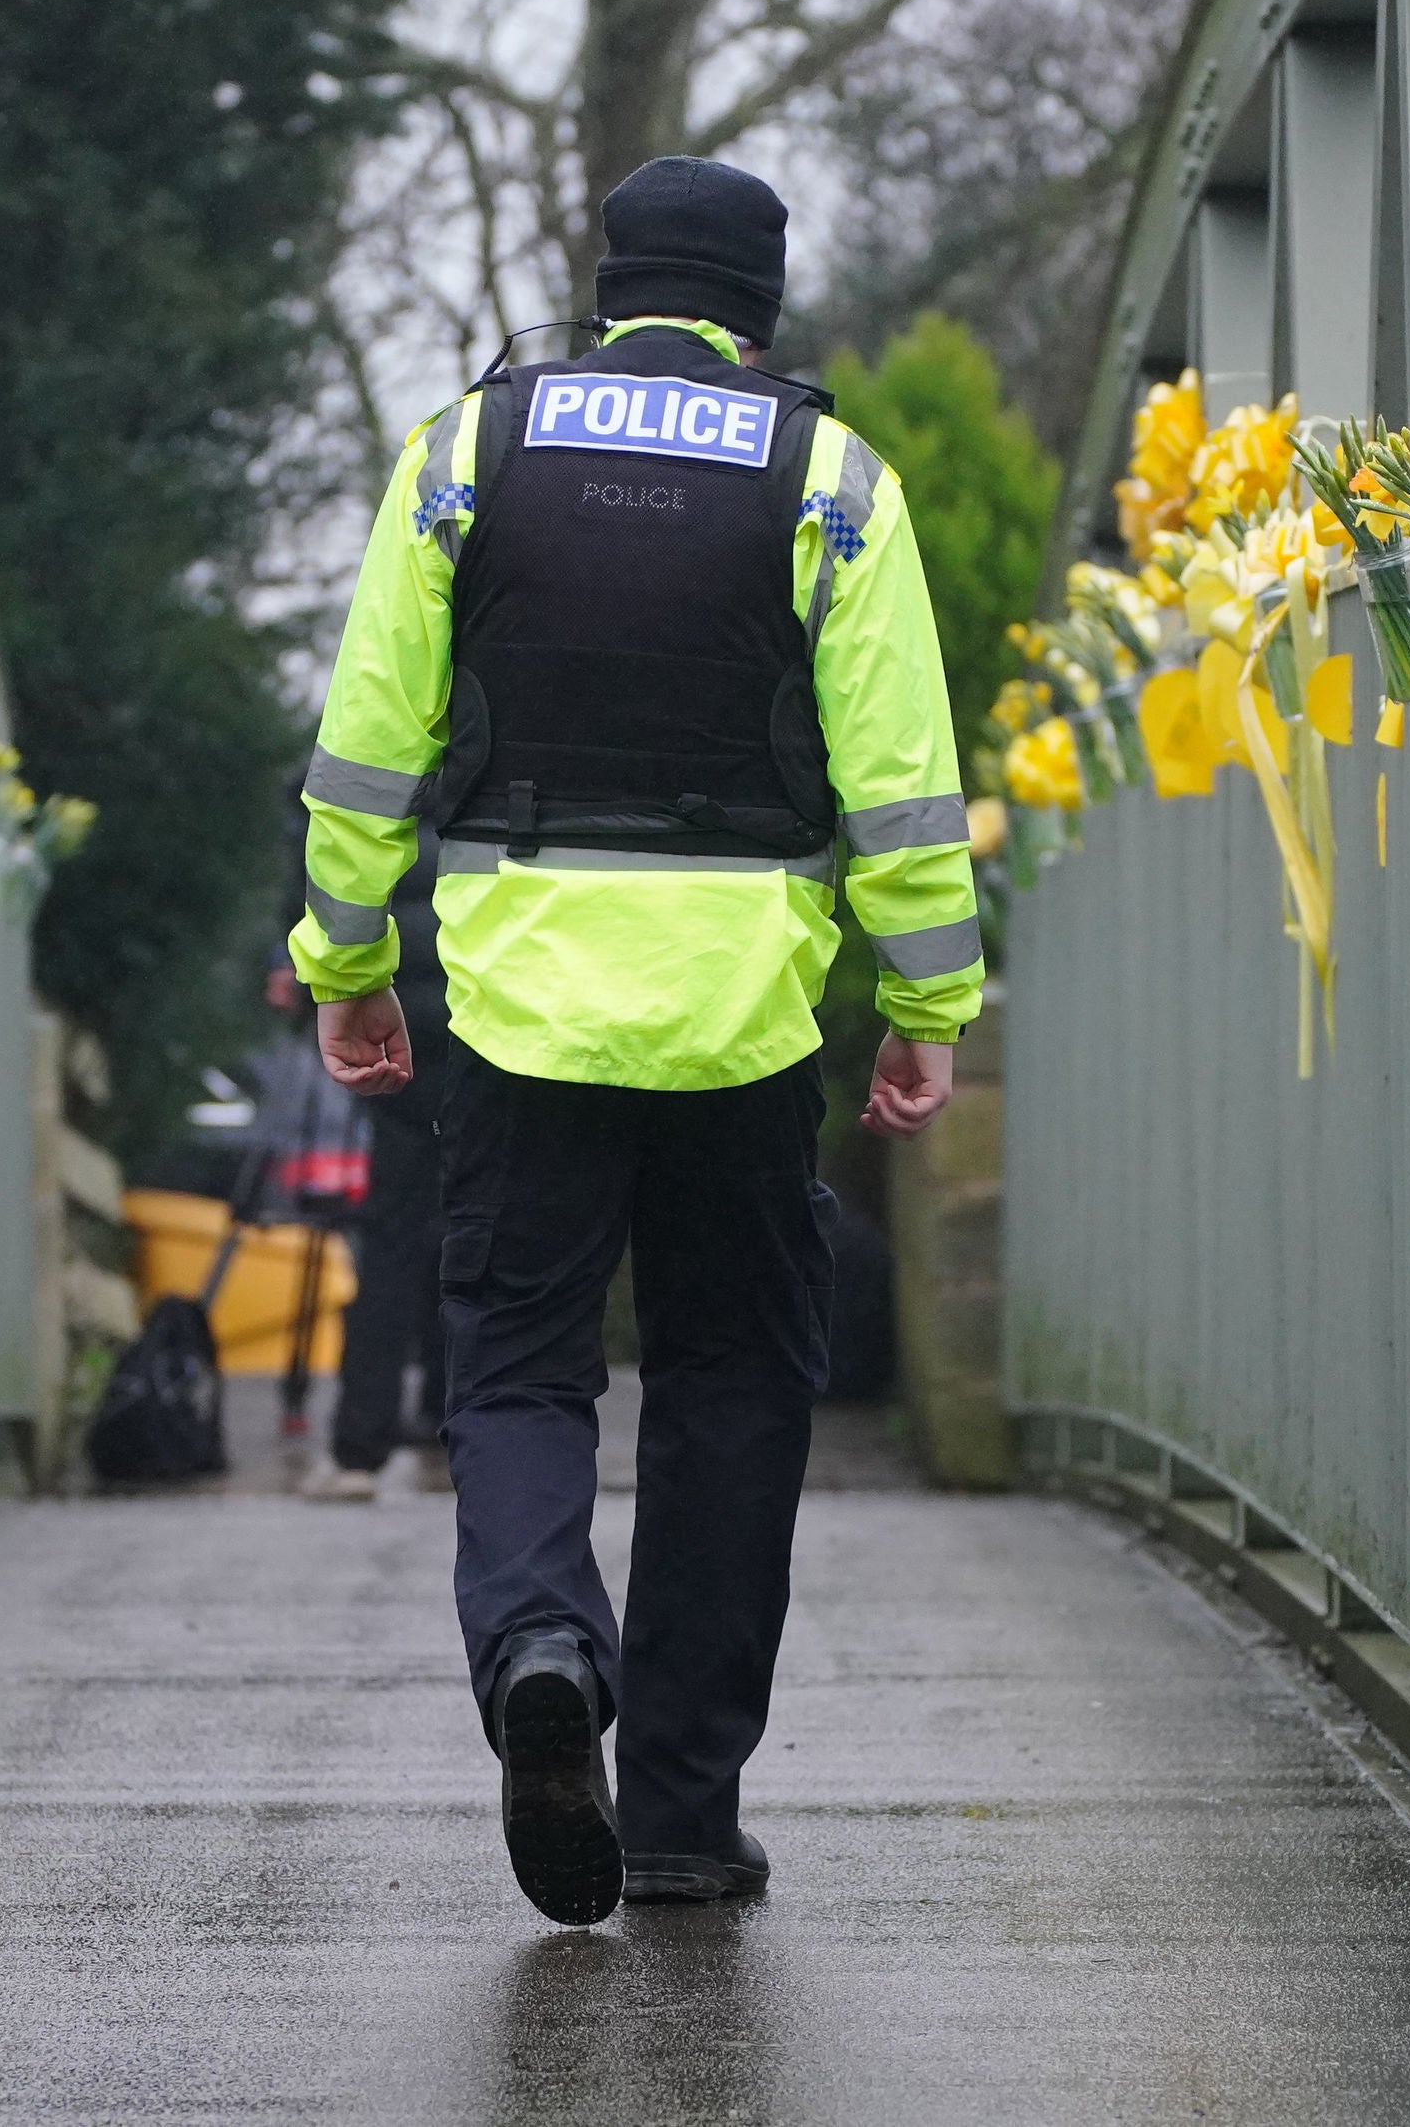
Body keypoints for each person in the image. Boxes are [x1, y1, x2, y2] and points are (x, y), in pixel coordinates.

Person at [290, 154, 981, 1926]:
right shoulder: (828, 474)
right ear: (756, 302)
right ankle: (679, 1807)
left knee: (519, 1363)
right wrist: (923, 1005)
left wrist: (347, 957)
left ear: (610, 287)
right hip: (745, 1010)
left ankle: (537, 1639)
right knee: (735, 1381)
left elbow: (372, 737)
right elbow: (900, 781)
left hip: (518, 994)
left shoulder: (472, 450)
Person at [268, 804, 455, 1501]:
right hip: (491, 1019)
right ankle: (458, 1417)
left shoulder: (376, 764)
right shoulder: (505, 735)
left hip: (396, 1027)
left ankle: (358, 1444)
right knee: (477, 1229)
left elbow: (327, 880)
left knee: (392, 1243)